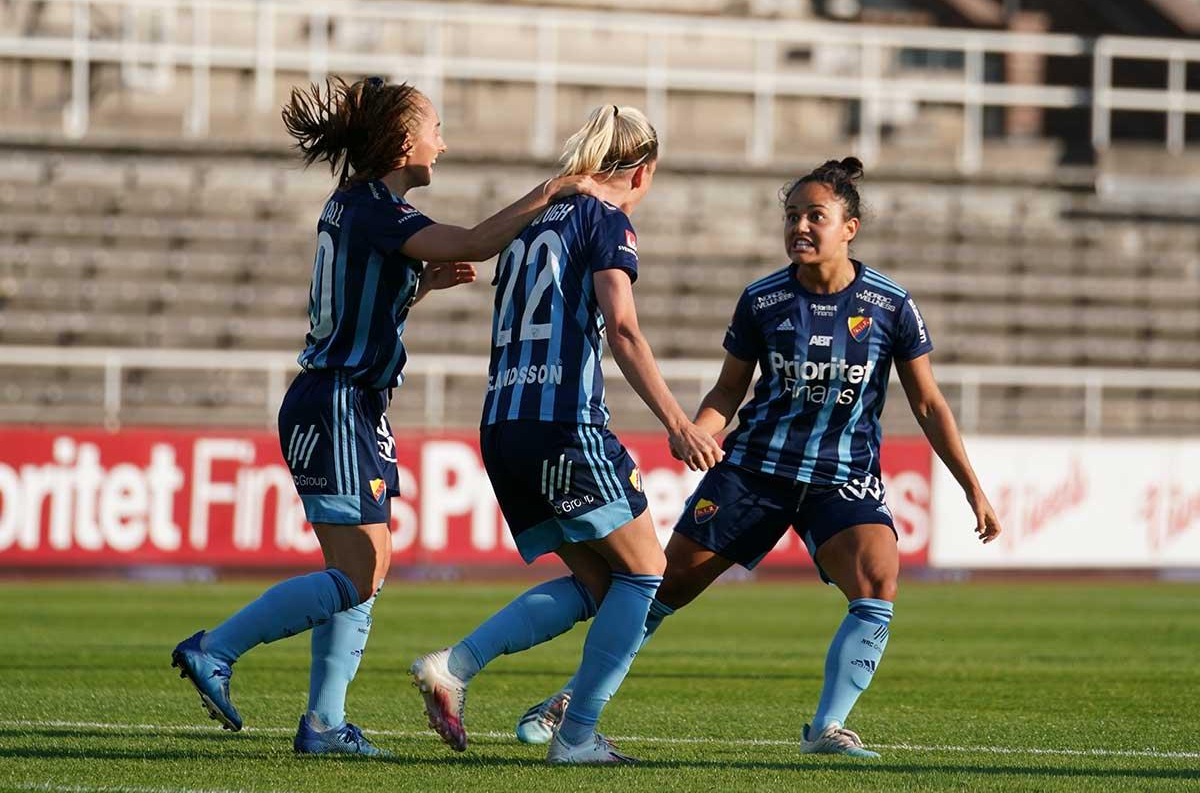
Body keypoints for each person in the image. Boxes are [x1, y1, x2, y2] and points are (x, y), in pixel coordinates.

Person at [514, 157, 1003, 758]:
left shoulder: (891, 305)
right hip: (753, 474)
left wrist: (972, 487)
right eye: (792, 216)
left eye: (815, 216)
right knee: (661, 588)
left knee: (878, 581)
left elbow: (928, 403)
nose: (800, 227)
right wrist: (698, 431)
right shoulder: (763, 300)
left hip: (840, 478)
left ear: (849, 227)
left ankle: (827, 729)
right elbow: (728, 391)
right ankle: (571, 700)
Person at [170, 76, 595, 757]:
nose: (442, 144)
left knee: (366, 568)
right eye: (435, 129)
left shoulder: (359, 208)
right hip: (338, 400)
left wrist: (417, 286)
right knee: (360, 570)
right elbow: (478, 239)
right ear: (403, 141)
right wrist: (551, 190)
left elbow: (360, 302)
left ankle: (324, 724)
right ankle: (216, 649)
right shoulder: (374, 209)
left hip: (349, 402)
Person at [408, 104, 723, 765]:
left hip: (503, 424)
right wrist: (677, 422)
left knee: (600, 585)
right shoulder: (606, 220)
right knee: (646, 575)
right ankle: (575, 735)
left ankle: (454, 668)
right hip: (563, 425)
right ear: (643, 170)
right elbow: (623, 329)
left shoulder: (529, 223)